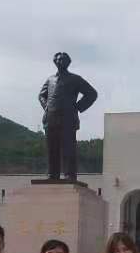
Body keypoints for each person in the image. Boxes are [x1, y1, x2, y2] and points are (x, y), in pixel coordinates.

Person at [38, 51, 98, 182]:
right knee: (52, 147)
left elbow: (92, 93)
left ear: (68, 62)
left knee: (68, 147)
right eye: (58, 60)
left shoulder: (75, 79)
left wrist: (78, 107)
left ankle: (69, 174)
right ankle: (52, 174)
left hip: (68, 118)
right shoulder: (50, 79)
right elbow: (41, 95)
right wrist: (46, 106)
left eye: (63, 60)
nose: (60, 62)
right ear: (55, 62)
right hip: (51, 118)